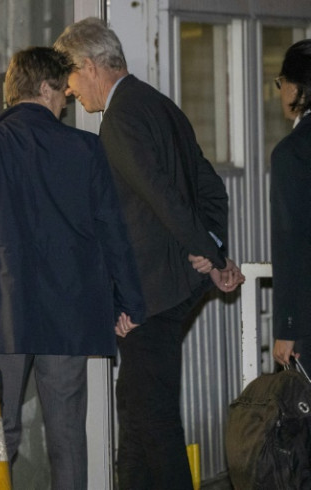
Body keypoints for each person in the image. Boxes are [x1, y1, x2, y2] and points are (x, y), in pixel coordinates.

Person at [54, 18, 245, 490]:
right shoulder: (161, 105)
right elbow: (209, 188)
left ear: (90, 65)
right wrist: (211, 248)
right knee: (137, 412)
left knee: (153, 419)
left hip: (150, 294)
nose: (72, 93)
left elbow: (160, 198)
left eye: (72, 79)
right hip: (174, 285)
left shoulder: (118, 122)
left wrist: (210, 256)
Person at [0, 46, 146, 489]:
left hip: (4, 314)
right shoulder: (85, 148)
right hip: (70, 315)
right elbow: (112, 230)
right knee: (66, 436)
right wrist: (128, 300)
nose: (66, 101)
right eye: (62, 92)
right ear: (43, 88)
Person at [271, 39, 311, 368]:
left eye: (281, 82)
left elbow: (291, 244)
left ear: (296, 87)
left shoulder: (293, 152)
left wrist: (288, 326)